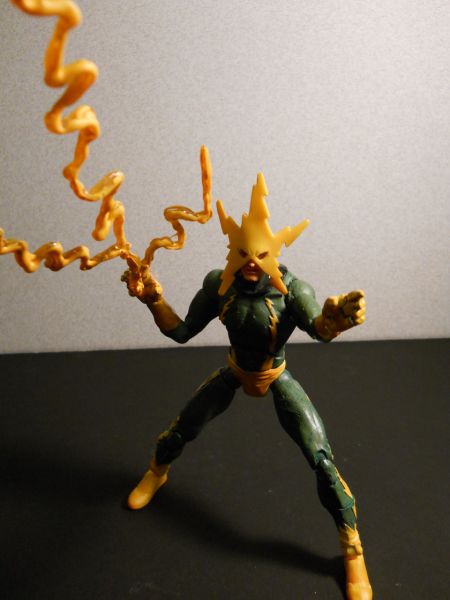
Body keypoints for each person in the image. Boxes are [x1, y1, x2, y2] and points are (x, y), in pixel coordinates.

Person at [122, 173, 372, 600]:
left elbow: (319, 329)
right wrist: (153, 300)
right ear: (232, 252)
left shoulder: (292, 291)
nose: (252, 263)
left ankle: (352, 550)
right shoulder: (219, 285)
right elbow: (181, 331)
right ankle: (156, 472)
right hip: (236, 370)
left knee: (321, 460)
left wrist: (337, 320)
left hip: (275, 374)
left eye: (261, 255)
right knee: (183, 427)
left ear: (274, 252)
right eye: (244, 254)